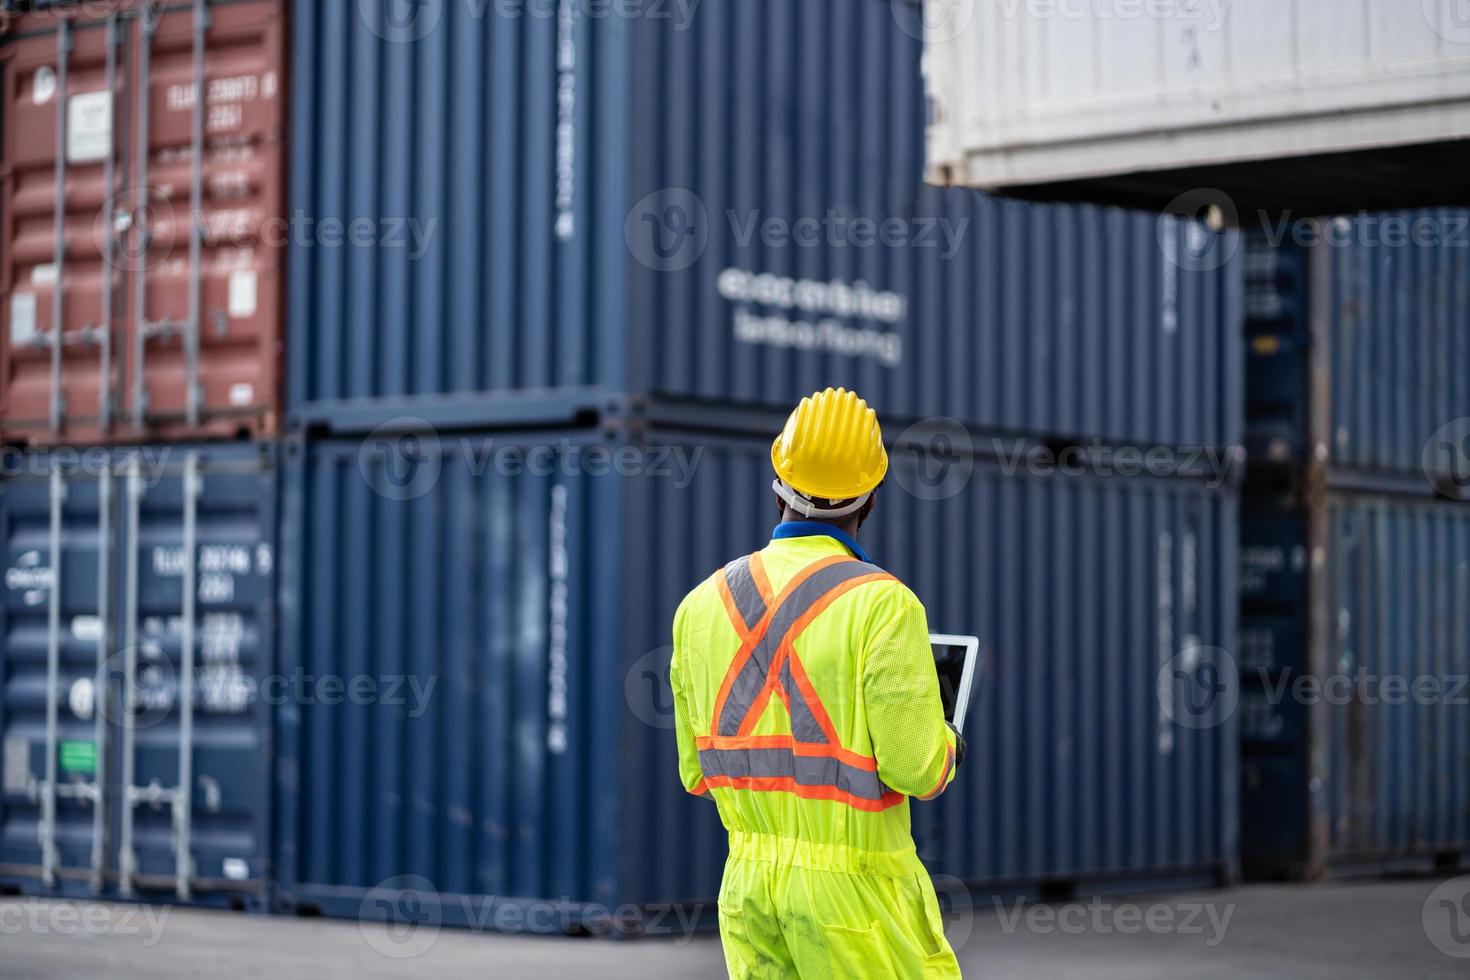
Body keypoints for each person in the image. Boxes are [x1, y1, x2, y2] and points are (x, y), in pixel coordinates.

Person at [670, 387, 966, 978]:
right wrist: (949, 738)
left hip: (749, 895)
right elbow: (919, 772)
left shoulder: (699, 606)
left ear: (777, 481)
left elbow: (697, 774)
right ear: (871, 498)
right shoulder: (883, 605)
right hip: (860, 902)